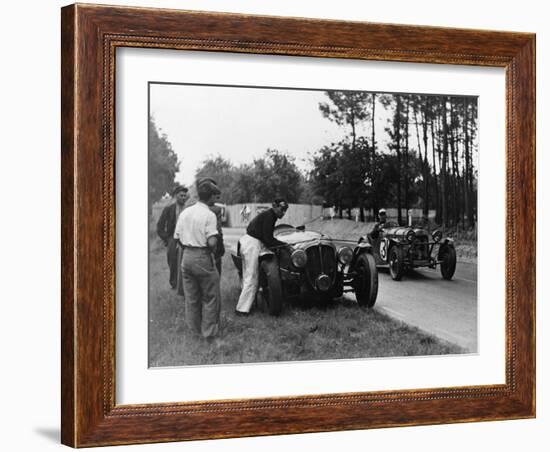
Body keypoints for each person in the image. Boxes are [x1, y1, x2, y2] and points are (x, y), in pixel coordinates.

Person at [174, 180, 222, 340]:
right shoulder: (209, 215)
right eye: (215, 196)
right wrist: (212, 246)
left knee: (191, 298)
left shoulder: (185, 212)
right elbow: (212, 242)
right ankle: (208, 334)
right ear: (209, 198)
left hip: (186, 256)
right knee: (210, 296)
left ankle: (194, 333)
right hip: (202, 255)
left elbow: (177, 237)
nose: (216, 200)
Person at [235, 198, 289, 316]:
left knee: (248, 276)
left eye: (285, 210)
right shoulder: (269, 216)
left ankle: (245, 306)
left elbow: (266, 238)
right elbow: (268, 239)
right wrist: (285, 245)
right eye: (281, 209)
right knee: (251, 277)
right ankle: (241, 310)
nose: (283, 213)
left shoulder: (269, 215)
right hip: (252, 245)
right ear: (274, 206)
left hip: (248, 242)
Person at [156, 185, 189, 289]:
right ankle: (174, 284)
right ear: (176, 196)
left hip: (187, 239)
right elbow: (159, 226)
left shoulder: (189, 210)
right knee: (172, 261)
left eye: (185, 196)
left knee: (186, 261)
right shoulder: (169, 209)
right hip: (172, 239)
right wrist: (167, 239)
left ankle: (185, 284)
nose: (183, 198)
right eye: (181, 195)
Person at [196, 177, 225, 275]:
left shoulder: (191, 208)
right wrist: (220, 249)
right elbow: (218, 231)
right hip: (212, 248)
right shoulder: (216, 210)